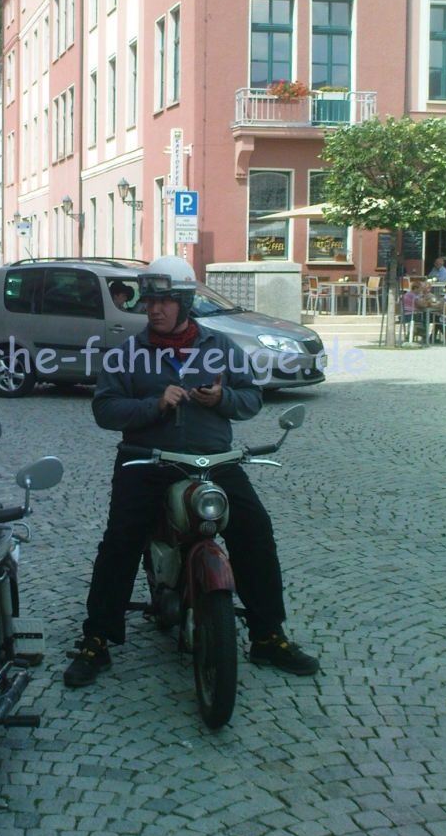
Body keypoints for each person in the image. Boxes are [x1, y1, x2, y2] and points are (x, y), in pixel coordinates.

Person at [64, 255, 319, 689]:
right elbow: (104, 409)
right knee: (121, 540)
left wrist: (220, 399)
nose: (155, 309)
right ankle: (97, 639)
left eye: (164, 301)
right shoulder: (127, 353)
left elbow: (252, 400)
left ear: (185, 303)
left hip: (213, 462)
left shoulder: (220, 347)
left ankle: (267, 634)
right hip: (147, 459)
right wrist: (154, 405)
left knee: (255, 530)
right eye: (150, 302)